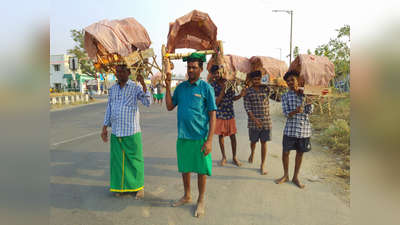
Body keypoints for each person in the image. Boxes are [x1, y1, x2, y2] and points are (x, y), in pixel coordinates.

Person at [164, 53, 217, 218]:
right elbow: (170, 107)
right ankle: (187, 195)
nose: (191, 70)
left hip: (200, 137)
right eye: (189, 67)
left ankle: (200, 200)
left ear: (201, 69)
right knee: (185, 168)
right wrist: (167, 88)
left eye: (194, 67)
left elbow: (213, 115)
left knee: (201, 170)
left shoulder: (206, 88)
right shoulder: (180, 88)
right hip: (184, 136)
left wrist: (209, 141)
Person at [101, 64, 151, 198]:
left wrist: (143, 83)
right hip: (116, 131)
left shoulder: (136, 87)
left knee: (135, 160)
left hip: (132, 131)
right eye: (117, 71)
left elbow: (148, 102)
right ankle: (121, 187)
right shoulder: (113, 89)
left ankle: (139, 187)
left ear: (128, 72)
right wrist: (105, 127)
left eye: (122, 71)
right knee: (117, 161)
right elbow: (109, 108)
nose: (119, 74)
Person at [275, 70, 313, 189]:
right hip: (290, 129)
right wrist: (295, 111)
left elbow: (310, 111)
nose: (290, 82)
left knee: (300, 153)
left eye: (292, 80)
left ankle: (295, 177)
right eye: (288, 81)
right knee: (286, 152)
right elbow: (286, 113)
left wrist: (309, 103)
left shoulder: (306, 94)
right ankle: (286, 175)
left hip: (304, 130)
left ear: (298, 80)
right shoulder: (285, 96)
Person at [243, 70, 279, 175]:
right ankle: (252, 152)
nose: (257, 81)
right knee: (253, 142)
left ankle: (262, 165)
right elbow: (247, 107)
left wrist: (276, 89)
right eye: (255, 79)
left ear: (261, 79)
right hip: (253, 121)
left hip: (266, 121)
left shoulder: (266, 89)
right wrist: (254, 119)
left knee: (264, 142)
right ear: (251, 80)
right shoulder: (247, 91)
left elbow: (277, 99)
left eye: (259, 79)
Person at [210, 65, 246, 167]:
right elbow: (216, 102)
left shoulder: (230, 82)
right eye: (214, 73)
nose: (216, 75)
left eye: (218, 72)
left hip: (230, 113)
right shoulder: (212, 86)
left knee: (233, 136)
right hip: (219, 113)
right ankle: (224, 157)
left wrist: (241, 95)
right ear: (212, 74)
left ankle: (234, 157)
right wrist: (223, 89)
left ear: (221, 72)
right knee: (221, 136)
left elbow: (233, 98)